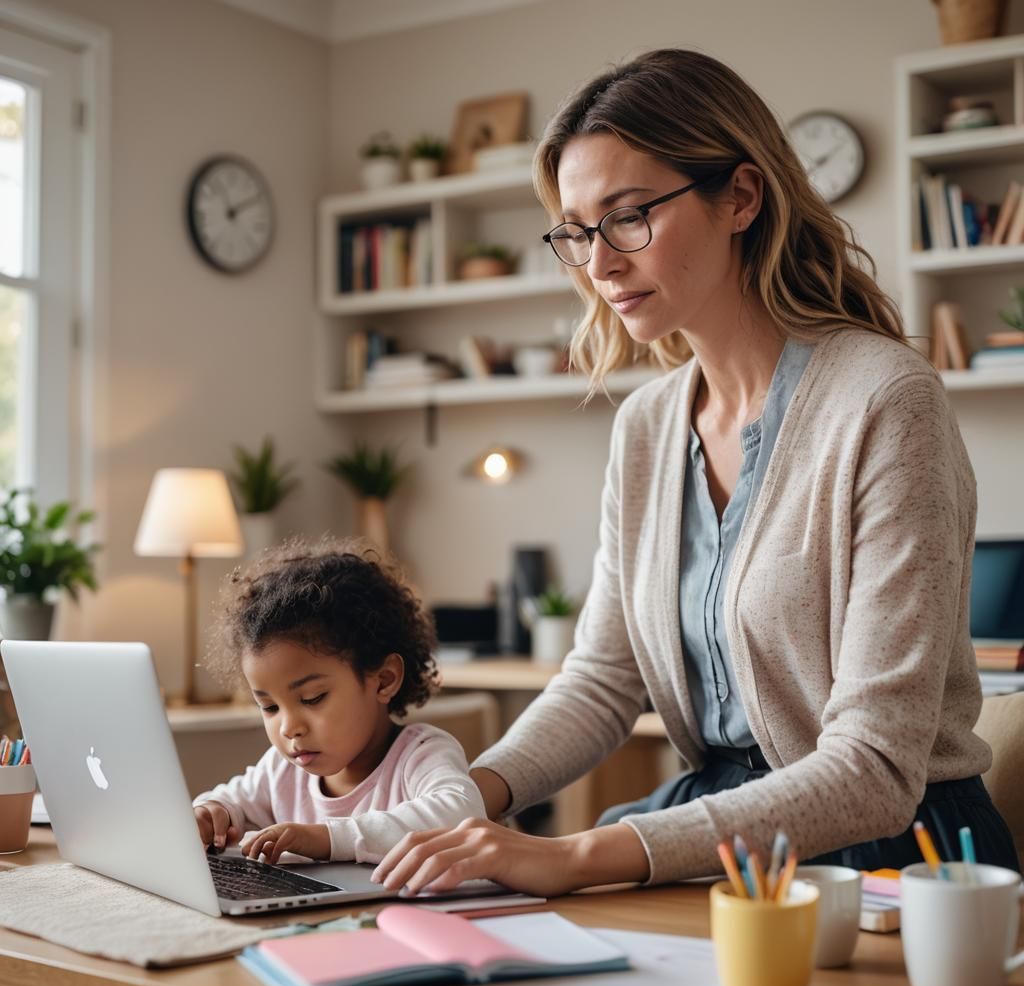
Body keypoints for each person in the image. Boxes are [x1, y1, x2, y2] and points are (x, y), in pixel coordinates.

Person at [371, 48, 1019, 898]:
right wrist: (457, 803)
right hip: (720, 828)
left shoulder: (886, 400)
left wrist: (571, 855)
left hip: (893, 856)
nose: (599, 264)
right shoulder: (645, 427)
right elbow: (603, 679)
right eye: (576, 231)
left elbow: (871, 769)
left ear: (741, 197)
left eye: (629, 216)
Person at [192, 538, 485, 865]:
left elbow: (463, 813)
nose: (290, 728)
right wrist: (212, 811)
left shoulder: (420, 756)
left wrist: (327, 837)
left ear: (384, 680)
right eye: (270, 707)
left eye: (312, 698)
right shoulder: (281, 772)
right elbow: (231, 801)